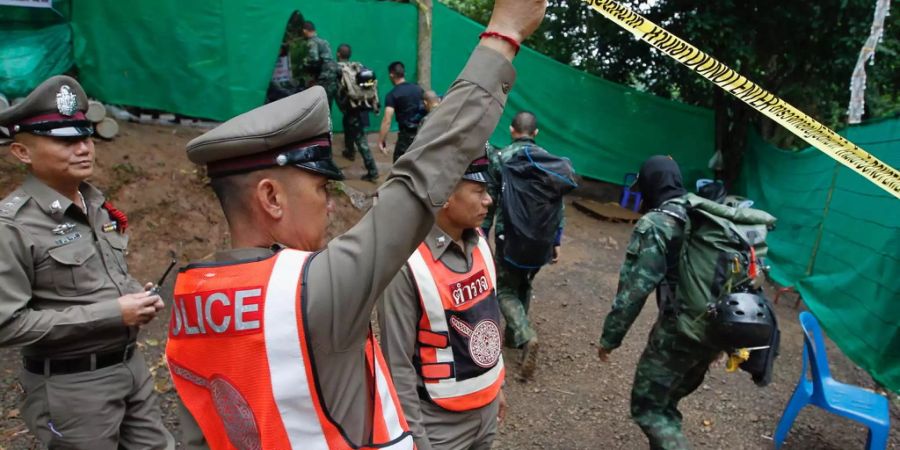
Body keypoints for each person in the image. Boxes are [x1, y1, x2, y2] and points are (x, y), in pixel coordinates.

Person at [168, 1, 547, 448]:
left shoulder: (192, 300)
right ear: (271, 198)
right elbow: (420, 178)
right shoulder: (312, 290)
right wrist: (503, 35)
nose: (331, 208)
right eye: (321, 190)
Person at [0, 76, 172, 449]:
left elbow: (96, 278)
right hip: (71, 389)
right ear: (22, 153)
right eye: (64, 140)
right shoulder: (12, 226)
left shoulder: (94, 203)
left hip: (130, 368)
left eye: (85, 136)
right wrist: (113, 312)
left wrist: (134, 297)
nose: (83, 148)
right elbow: (7, 326)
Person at [379, 157, 506, 450]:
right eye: (478, 190)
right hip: (439, 427)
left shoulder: (481, 243)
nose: (488, 200)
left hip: (486, 412)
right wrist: (416, 439)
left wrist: (497, 386)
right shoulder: (405, 264)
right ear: (446, 194)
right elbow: (397, 365)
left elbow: (488, 320)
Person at [596, 156, 720, 450]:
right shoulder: (703, 214)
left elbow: (635, 290)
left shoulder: (658, 222)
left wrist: (610, 338)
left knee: (647, 408)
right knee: (667, 401)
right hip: (717, 326)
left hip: (680, 330)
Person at [482, 111, 572, 381]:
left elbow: (490, 201)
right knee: (525, 283)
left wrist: (481, 234)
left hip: (509, 236)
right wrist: (556, 240)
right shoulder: (550, 161)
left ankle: (525, 334)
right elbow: (559, 204)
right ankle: (512, 338)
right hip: (542, 238)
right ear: (536, 133)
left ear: (512, 130)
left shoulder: (500, 158)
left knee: (505, 288)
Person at [336, 43, 379, 182]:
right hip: (357, 107)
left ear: (338, 54)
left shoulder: (338, 69)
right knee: (347, 125)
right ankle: (349, 151)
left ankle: (372, 171)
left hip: (351, 107)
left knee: (361, 140)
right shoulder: (357, 67)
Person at [378, 61, 425, 162]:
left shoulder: (392, 94)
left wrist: (381, 140)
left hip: (406, 137)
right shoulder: (419, 89)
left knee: (399, 166)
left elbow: (387, 120)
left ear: (391, 75)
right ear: (404, 73)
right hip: (422, 134)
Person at [292, 20, 340, 109]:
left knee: (320, 106)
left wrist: (303, 66)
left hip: (324, 76)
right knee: (328, 105)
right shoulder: (323, 41)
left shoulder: (312, 42)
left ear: (304, 31)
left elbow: (313, 59)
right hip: (333, 75)